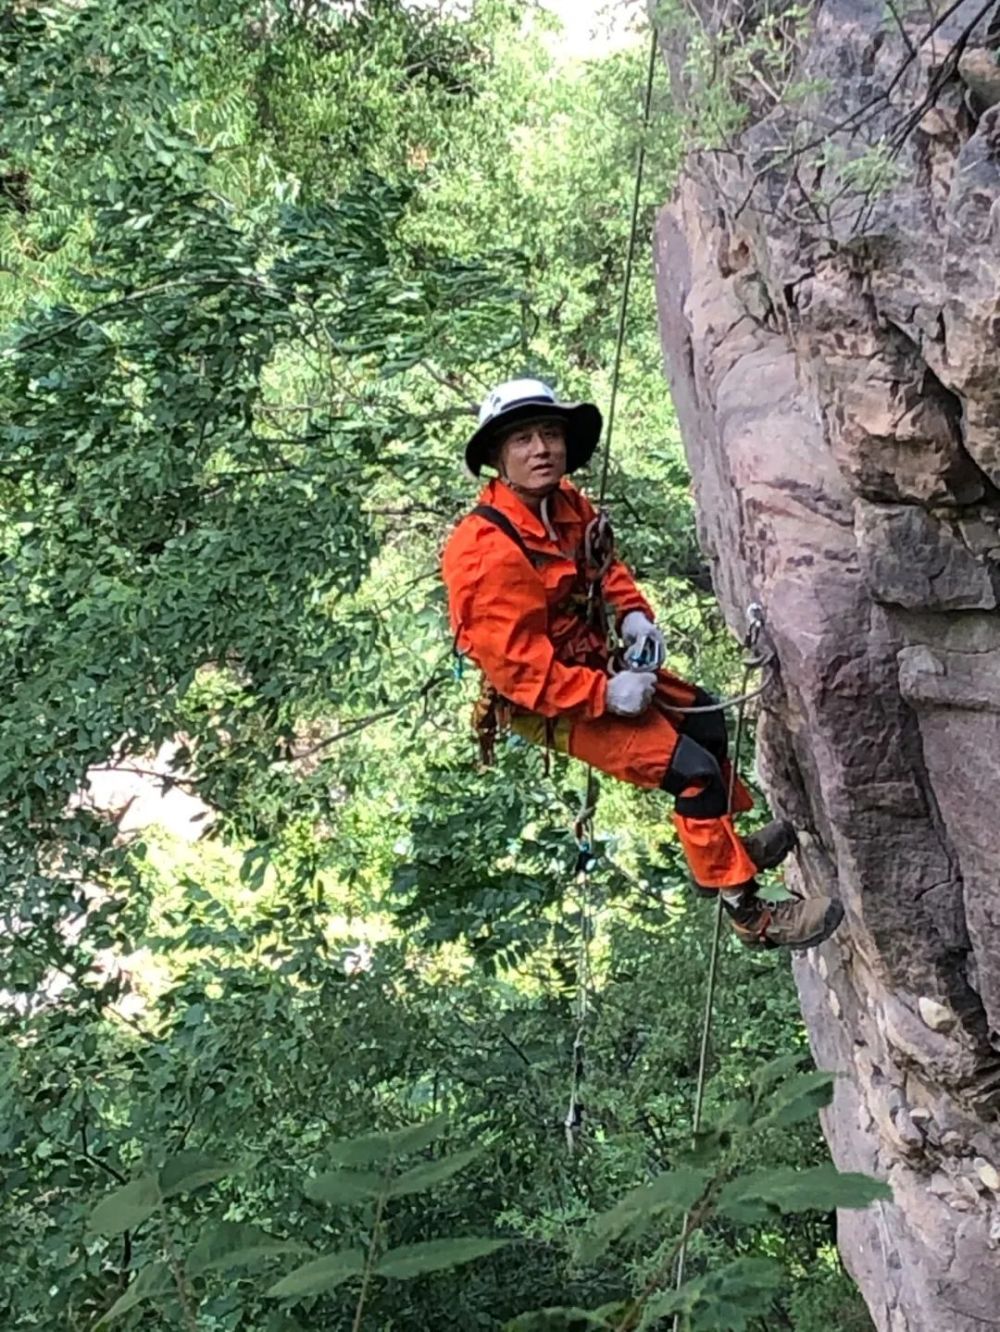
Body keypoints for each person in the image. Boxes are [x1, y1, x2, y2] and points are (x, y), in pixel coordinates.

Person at [441, 378, 843, 950]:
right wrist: (607, 696)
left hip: (597, 668)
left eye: (550, 434)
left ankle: (722, 850)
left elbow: (605, 568)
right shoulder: (485, 552)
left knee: (704, 715)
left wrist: (634, 616)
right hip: (555, 698)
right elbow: (520, 672)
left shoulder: (566, 504)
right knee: (692, 771)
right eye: (524, 439)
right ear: (498, 458)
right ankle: (749, 913)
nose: (541, 449)